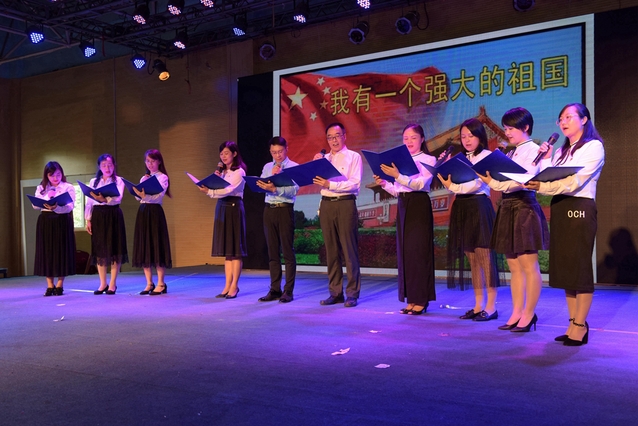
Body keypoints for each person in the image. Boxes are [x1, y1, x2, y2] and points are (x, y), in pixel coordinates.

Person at [525, 103, 604, 346]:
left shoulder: (593, 146)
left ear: (584, 119)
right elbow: (550, 176)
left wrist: (543, 186)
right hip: (560, 206)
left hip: (580, 206)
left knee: (579, 267)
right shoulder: (561, 151)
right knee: (566, 269)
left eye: (569, 117)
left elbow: (574, 182)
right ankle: (572, 323)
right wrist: (546, 159)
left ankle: (580, 325)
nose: (563, 122)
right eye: (561, 119)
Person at [478, 107, 549, 332]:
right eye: (505, 128)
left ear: (525, 127)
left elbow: (523, 180)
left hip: (524, 206)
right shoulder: (511, 152)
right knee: (514, 266)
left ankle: (529, 314)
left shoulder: (534, 150)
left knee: (528, 265)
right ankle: (517, 312)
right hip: (508, 206)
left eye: (511, 128)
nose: (507, 132)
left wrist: (493, 183)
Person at [438, 118, 501, 321]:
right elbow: (451, 183)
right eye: (463, 136)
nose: (466, 140)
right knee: (472, 259)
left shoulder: (487, 156)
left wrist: (453, 186)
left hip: (479, 206)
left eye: (471, 136)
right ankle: (478, 305)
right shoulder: (460, 158)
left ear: (480, 136)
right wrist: (444, 170)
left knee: (485, 257)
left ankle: (491, 307)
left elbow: (477, 184)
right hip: (462, 207)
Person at [373, 124, 436, 315]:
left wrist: (398, 175)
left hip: (418, 205)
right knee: (406, 254)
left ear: (422, 139)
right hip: (403, 204)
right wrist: (385, 183)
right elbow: (399, 190)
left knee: (418, 252)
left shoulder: (429, 159)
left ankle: (421, 300)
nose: (409, 141)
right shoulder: (400, 161)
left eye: (413, 138)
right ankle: (411, 299)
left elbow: (419, 184)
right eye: (405, 138)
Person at [312, 122, 362, 307]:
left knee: (349, 249)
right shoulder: (324, 158)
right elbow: (315, 180)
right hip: (326, 204)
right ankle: (335, 292)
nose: (334, 140)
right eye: (330, 137)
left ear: (344, 136)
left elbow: (355, 183)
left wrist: (330, 184)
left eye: (337, 136)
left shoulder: (353, 157)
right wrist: (315, 165)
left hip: (345, 203)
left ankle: (352, 293)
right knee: (331, 251)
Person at [199, 141, 247, 299]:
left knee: (235, 250)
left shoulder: (239, 172)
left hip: (233, 207)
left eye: (226, 153)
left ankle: (234, 286)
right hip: (222, 207)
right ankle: (227, 285)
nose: (223, 156)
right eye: (221, 154)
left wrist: (210, 191)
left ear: (234, 153)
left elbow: (229, 190)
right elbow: (220, 189)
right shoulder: (222, 172)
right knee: (227, 252)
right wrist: (214, 181)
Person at [257, 137, 299, 303]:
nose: (277, 155)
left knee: (287, 251)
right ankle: (275, 289)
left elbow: (294, 190)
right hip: (269, 210)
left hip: (285, 209)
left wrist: (275, 188)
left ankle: (288, 291)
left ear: (286, 149)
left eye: (280, 151)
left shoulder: (294, 167)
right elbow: (261, 185)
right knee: (272, 252)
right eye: (274, 152)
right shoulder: (267, 167)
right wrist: (268, 180)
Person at [85, 154, 128, 295]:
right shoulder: (93, 181)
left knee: (115, 249)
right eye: (104, 165)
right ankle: (103, 283)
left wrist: (104, 199)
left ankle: (113, 284)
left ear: (114, 166)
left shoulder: (119, 180)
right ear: (99, 167)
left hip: (113, 214)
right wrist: (88, 219)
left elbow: (118, 198)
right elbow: (89, 202)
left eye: (109, 165)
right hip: (98, 215)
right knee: (100, 249)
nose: (107, 168)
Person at [132, 149, 173, 296]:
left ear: (159, 162)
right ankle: (149, 283)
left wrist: (145, 196)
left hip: (155, 212)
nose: (150, 164)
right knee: (145, 246)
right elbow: (138, 197)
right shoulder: (144, 178)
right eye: (147, 161)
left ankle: (161, 283)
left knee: (157, 245)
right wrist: (139, 194)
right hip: (143, 212)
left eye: (153, 161)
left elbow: (158, 196)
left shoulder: (163, 177)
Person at [33, 161, 76, 296]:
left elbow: (70, 206)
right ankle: (50, 285)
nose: (55, 178)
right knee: (47, 252)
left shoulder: (68, 187)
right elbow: (35, 205)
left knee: (61, 251)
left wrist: (56, 207)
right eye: (51, 175)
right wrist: (49, 195)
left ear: (62, 174)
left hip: (61, 220)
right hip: (46, 221)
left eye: (58, 174)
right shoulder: (41, 187)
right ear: (47, 176)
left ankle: (60, 284)